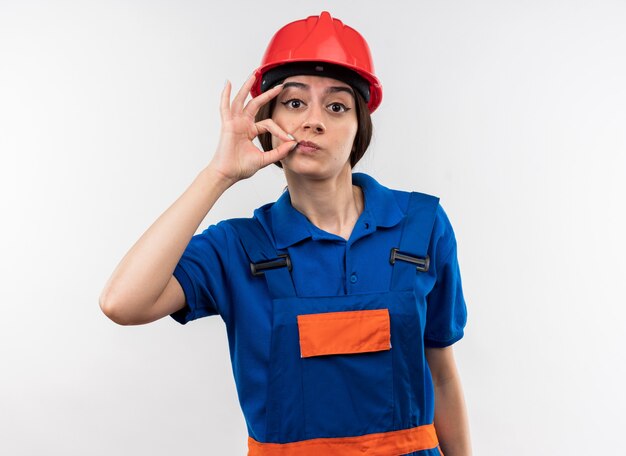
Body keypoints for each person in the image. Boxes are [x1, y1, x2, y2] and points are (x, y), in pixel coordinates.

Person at [100, 11, 471, 456]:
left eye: (336, 107)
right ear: (269, 120)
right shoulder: (235, 249)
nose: (313, 121)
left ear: (359, 129)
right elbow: (122, 303)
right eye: (295, 103)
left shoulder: (421, 226)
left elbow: (442, 372)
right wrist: (218, 173)